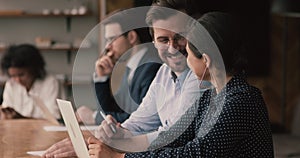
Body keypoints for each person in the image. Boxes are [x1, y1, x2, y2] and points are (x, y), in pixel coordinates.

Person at [88, 12, 274, 157]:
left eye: (188, 53)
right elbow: (172, 138)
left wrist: (120, 157)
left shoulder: (242, 99)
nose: (183, 57)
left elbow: (196, 153)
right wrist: (116, 143)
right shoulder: (210, 97)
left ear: (206, 61)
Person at [42, 5, 207, 158]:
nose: (172, 47)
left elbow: (172, 136)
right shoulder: (163, 71)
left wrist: (98, 143)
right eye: (163, 40)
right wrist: (115, 133)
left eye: (180, 37)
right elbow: (138, 121)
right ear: (154, 42)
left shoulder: (199, 75)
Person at [76, 9, 162, 125]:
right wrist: (102, 78)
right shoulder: (129, 68)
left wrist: (95, 117)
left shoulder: (152, 67)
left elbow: (141, 120)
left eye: (112, 39)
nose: (107, 47)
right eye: (107, 40)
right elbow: (112, 110)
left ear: (131, 37)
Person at [0, 44, 60, 121]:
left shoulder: (50, 83)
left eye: (21, 75)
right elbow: (6, 114)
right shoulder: (11, 84)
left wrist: (21, 118)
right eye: (13, 76)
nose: (18, 80)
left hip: (44, 131)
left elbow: (54, 117)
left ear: (33, 69)